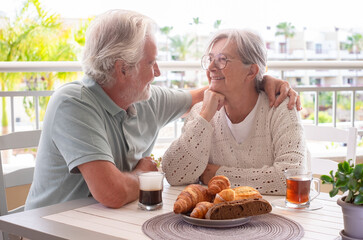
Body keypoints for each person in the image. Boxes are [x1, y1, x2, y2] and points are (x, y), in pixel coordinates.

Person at [25, 10, 299, 210]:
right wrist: (144, 174)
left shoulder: (146, 98)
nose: (157, 73)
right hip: (52, 227)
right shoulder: (73, 103)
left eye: (223, 60)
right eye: (151, 63)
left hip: (112, 222)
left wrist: (262, 81)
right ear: (123, 69)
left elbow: (211, 91)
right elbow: (113, 193)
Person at [162, 29, 309, 195]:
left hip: (272, 216)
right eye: (210, 59)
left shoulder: (280, 109)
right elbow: (173, 174)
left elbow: (292, 177)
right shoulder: (202, 112)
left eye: (222, 60)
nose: (210, 67)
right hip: (216, 218)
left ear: (251, 72)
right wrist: (204, 118)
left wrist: (217, 175)